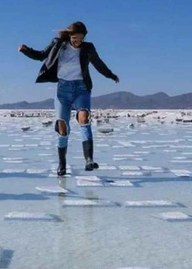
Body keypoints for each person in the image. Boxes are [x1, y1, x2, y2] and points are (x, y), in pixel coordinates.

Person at [19, 21, 119, 175]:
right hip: (63, 90)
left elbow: (98, 63)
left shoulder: (88, 48)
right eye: (75, 39)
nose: (78, 42)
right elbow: (41, 56)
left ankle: (89, 160)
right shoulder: (58, 44)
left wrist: (110, 75)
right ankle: (62, 163)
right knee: (62, 127)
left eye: (81, 39)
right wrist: (26, 50)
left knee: (84, 118)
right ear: (69, 35)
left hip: (81, 88)